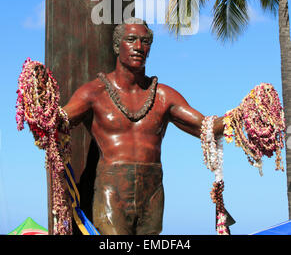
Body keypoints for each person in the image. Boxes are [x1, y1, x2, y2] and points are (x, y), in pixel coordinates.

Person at [63, 18, 225, 235]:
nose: (139, 47)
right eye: (131, 40)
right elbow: (59, 120)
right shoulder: (94, 93)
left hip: (152, 193)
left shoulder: (164, 96)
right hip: (112, 192)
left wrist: (244, 113)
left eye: (145, 41)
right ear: (116, 46)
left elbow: (207, 127)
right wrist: (38, 106)